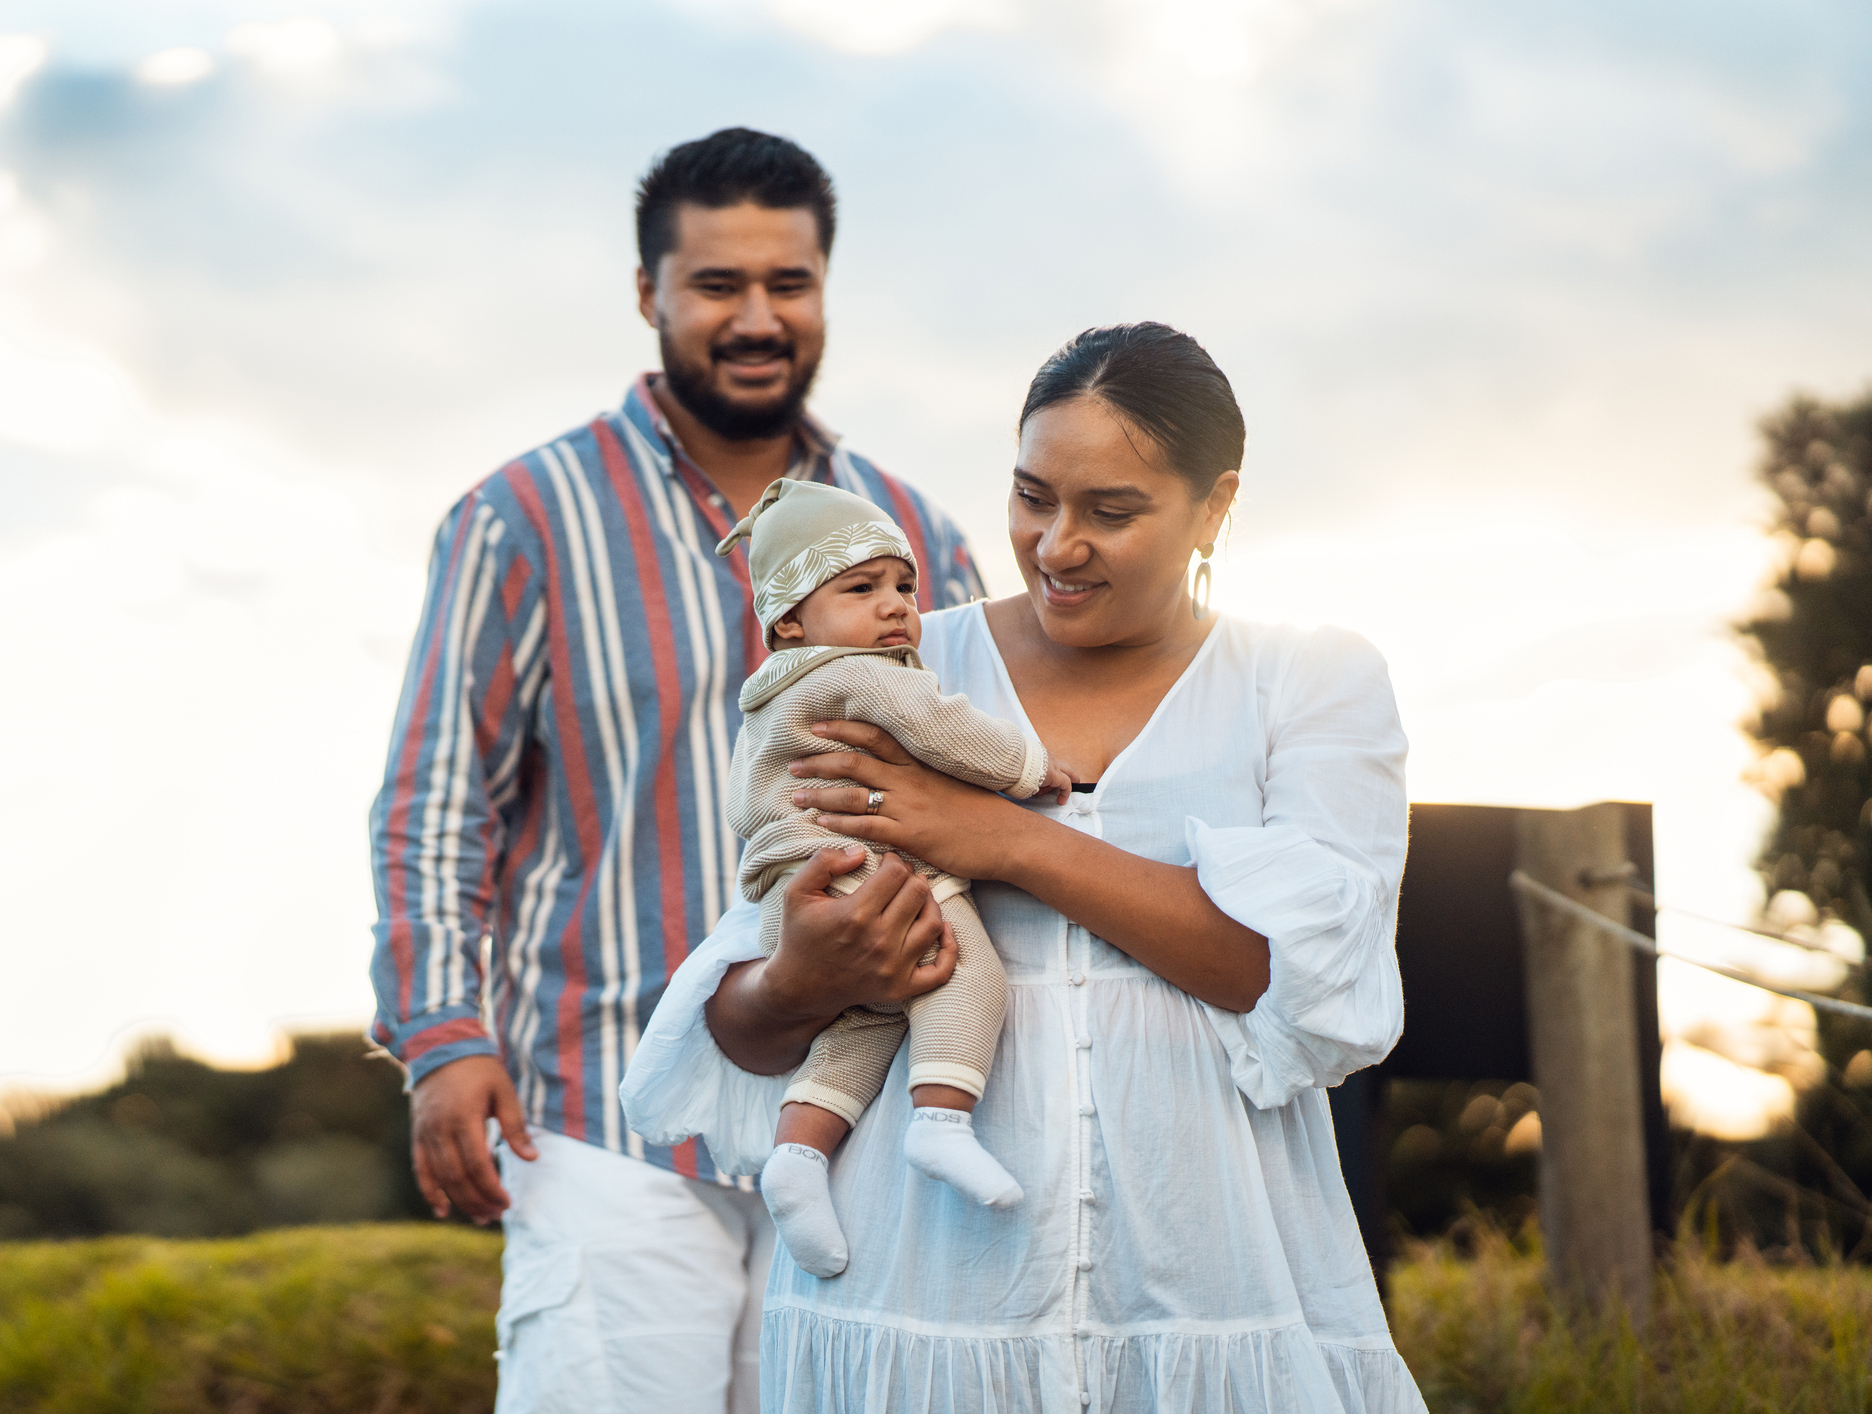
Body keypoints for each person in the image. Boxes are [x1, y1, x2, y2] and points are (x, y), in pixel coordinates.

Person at [623, 322, 1429, 1412]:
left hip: (1207, 1285)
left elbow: (1286, 975)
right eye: (1030, 497)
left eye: (1110, 510)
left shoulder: (1306, 680)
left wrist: (998, 837)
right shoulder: (890, 660)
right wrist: (806, 975)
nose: (1055, 545)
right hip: (920, 1290)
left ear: (1214, 504)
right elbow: (743, 1020)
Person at [367, 128, 985, 1414]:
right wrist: (441, 1037)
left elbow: (984, 800)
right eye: (716, 285)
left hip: (856, 1119)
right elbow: (436, 803)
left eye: (788, 283)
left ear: (823, 289)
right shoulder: (523, 517)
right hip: (606, 1121)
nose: (756, 317)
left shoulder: (918, 534)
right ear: (646, 293)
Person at [714, 478, 1074, 1279]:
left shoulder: (765, 703)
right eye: (861, 588)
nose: (895, 607)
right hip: (864, 870)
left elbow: (746, 805)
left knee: (866, 1023)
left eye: (904, 585)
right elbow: (942, 728)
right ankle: (942, 1123)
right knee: (965, 970)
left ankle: (798, 1159)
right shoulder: (864, 674)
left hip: (792, 896)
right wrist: (1030, 767)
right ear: (790, 621)